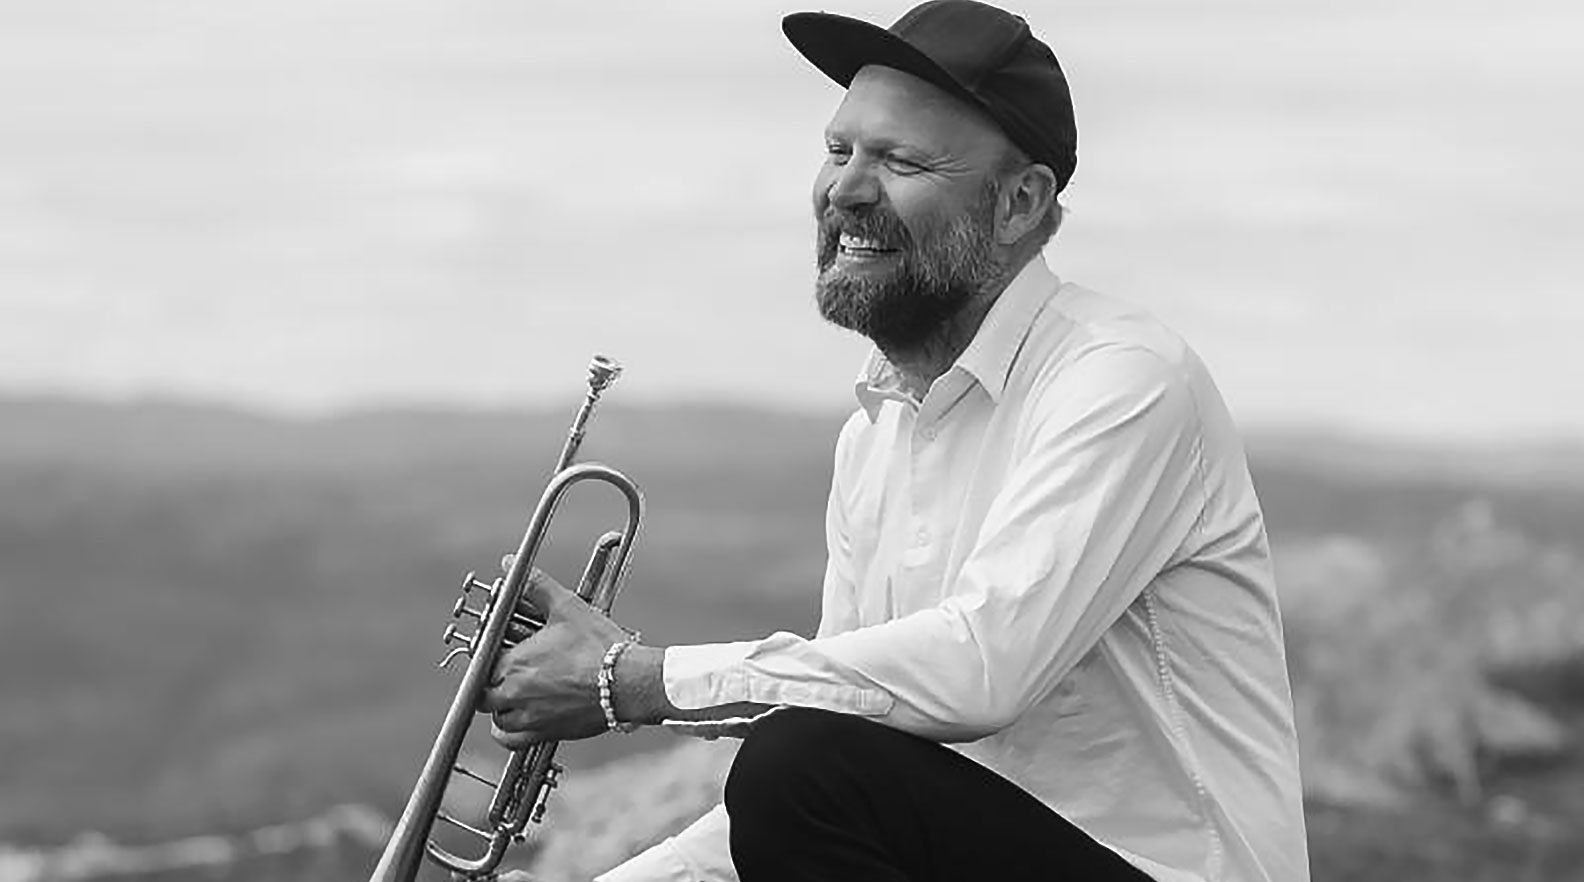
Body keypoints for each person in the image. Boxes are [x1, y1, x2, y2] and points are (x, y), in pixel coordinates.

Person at [478, 2, 1309, 880]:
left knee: (802, 763)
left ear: (1020, 203)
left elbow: (977, 670)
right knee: (805, 761)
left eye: (900, 161)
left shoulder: (1122, 379)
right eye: (839, 150)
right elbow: (829, 757)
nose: (845, 190)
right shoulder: (873, 436)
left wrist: (634, 681)